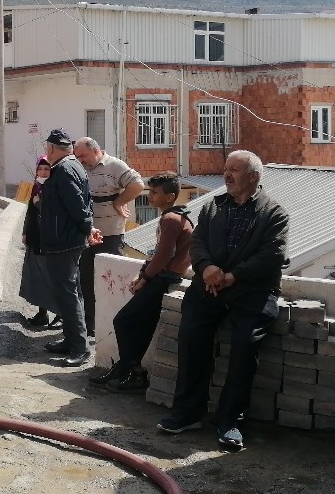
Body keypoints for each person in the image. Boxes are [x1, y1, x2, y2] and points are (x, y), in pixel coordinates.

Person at [157, 151, 288, 452]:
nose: (227, 175)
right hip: (210, 283)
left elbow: (273, 256)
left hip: (252, 290)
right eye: (226, 169)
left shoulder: (274, 213)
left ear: (253, 176)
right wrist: (208, 269)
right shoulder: (213, 207)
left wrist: (232, 276)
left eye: (235, 170)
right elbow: (198, 243)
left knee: (245, 344)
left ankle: (231, 422)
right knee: (191, 335)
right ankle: (188, 413)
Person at [90, 171, 193, 392]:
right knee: (142, 326)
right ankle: (132, 372)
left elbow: (165, 256)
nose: (151, 196)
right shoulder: (176, 217)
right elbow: (158, 254)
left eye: (155, 193)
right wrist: (143, 272)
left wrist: (144, 278)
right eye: (150, 191)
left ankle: (129, 368)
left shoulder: (171, 219)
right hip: (163, 277)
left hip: (164, 280)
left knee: (123, 321)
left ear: (170, 196)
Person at [36, 130, 98, 367]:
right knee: (71, 293)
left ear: (51, 148)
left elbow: (77, 205)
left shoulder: (64, 169)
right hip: (65, 240)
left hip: (64, 242)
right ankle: (71, 340)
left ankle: (80, 348)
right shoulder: (71, 166)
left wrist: (87, 228)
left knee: (68, 295)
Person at [73, 137, 144, 335]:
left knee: (112, 278)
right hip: (87, 233)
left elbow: (137, 185)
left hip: (111, 232)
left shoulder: (114, 165)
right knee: (86, 280)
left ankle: (113, 324)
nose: (81, 160)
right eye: (77, 157)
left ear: (95, 150)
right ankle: (91, 325)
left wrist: (118, 202)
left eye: (83, 156)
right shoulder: (81, 169)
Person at [19, 157, 61, 329]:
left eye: (47, 169)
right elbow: (29, 213)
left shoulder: (54, 189)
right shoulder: (36, 187)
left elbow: (54, 214)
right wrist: (25, 232)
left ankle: (60, 314)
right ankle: (42, 313)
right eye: (40, 169)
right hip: (36, 240)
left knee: (54, 278)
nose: (43, 173)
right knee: (38, 278)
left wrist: (39, 204)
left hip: (51, 241)